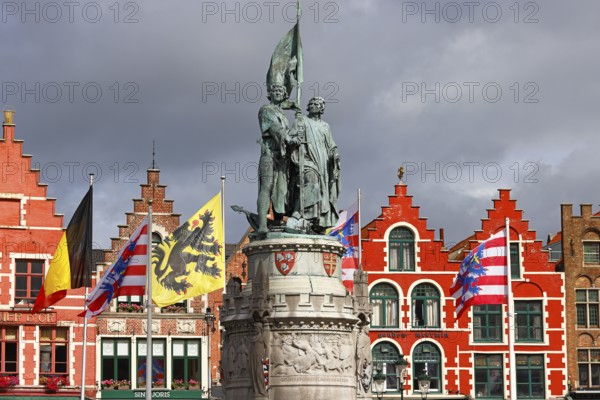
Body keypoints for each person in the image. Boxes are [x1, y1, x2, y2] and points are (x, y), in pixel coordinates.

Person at [289, 96, 341, 233]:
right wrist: (296, 140)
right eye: (311, 103)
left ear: (321, 108)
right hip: (306, 159)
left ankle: (317, 221)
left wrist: (335, 155)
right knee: (312, 181)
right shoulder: (301, 121)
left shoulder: (325, 126)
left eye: (316, 104)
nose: (312, 105)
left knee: (323, 190)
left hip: (323, 162)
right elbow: (290, 140)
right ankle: (298, 213)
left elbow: (331, 145)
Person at [257, 84, 295, 233]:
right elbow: (274, 128)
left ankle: (278, 220)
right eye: (275, 91)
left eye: (281, 91)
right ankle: (262, 225)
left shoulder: (284, 115)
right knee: (266, 187)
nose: (278, 93)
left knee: (282, 190)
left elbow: (286, 131)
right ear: (270, 94)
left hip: (282, 157)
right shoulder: (266, 109)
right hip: (269, 154)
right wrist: (288, 138)